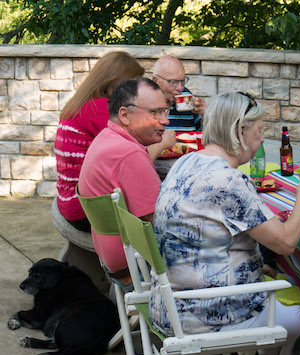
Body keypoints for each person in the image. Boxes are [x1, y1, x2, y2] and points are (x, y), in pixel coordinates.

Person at [151, 92, 300, 355]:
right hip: (202, 313)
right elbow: (285, 242)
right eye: (259, 132)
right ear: (240, 130)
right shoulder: (228, 181)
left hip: (167, 303)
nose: (261, 140)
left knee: (273, 283)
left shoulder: (187, 161)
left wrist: (253, 266)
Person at [78, 77, 170, 291]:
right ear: (124, 115)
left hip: (116, 263)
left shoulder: (107, 137)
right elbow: (161, 222)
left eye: (166, 111)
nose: (165, 121)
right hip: (138, 271)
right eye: (155, 112)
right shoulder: (129, 154)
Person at [54, 51, 145, 233]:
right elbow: (135, 154)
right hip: (85, 209)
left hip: (68, 200)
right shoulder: (100, 110)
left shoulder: (83, 103)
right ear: (119, 82)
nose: (138, 90)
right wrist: (163, 142)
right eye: (134, 84)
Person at [152, 55, 206, 131]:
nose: (180, 88)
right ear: (155, 80)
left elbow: (207, 136)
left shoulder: (186, 96)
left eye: (183, 81)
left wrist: (206, 115)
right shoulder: (145, 103)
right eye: (173, 82)